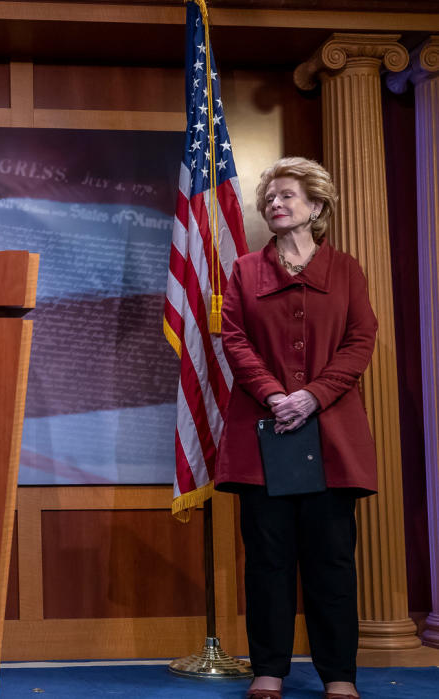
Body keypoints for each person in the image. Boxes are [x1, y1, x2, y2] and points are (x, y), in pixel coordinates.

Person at [214, 157, 377, 699]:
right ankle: (269, 670)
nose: (275, 204)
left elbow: (360, 342)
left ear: (317, 206)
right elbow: (234, 339)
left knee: (331, 557)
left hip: (331, 434)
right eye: (270, 198)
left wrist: (312, 396)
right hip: (264, 433)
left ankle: (338, 676)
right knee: (267, 556)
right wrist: (275, 395)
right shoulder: (243, 270)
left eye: (287, 196)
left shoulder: (347, 270)